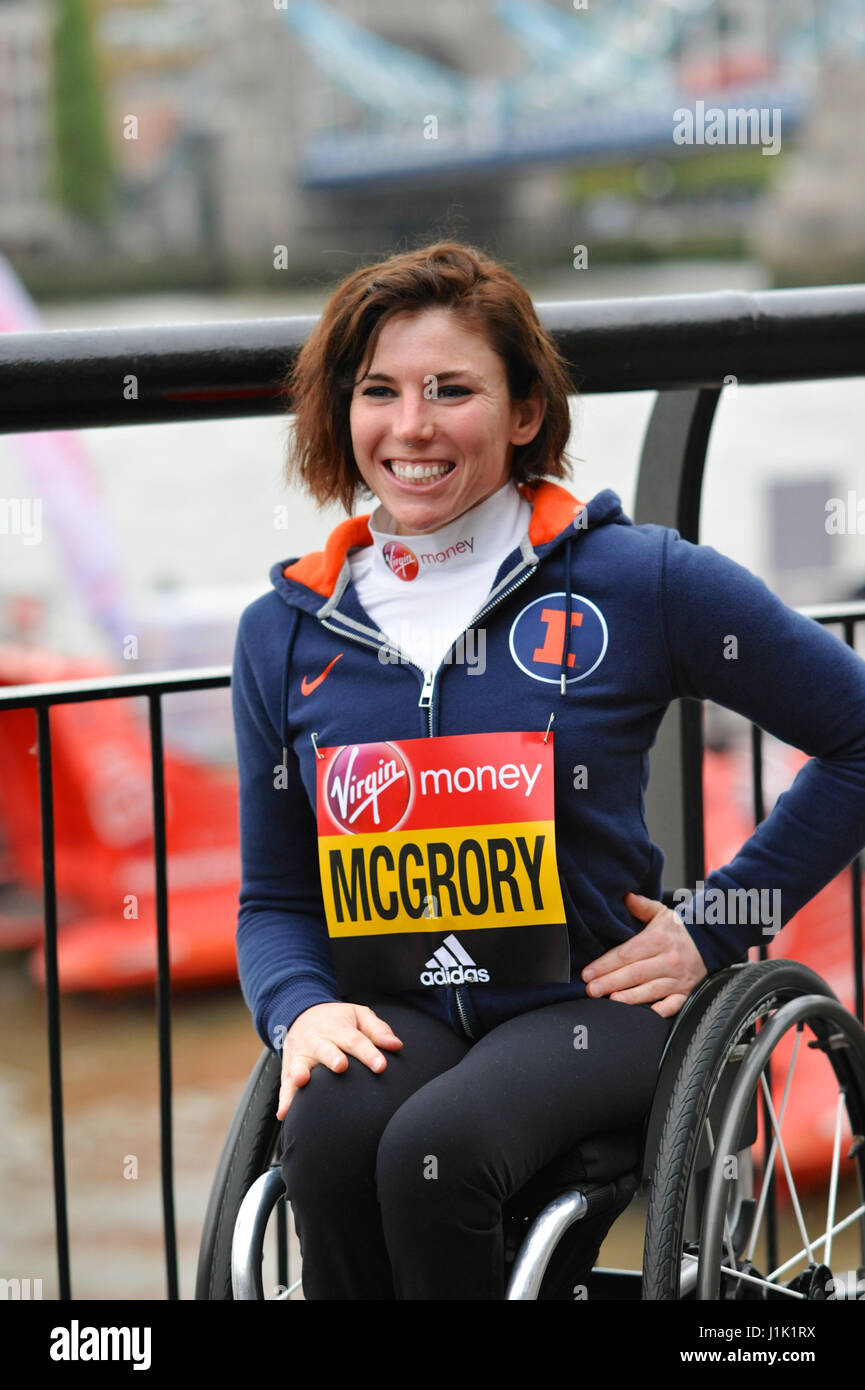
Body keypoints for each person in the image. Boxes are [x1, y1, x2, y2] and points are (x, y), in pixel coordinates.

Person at [231, 239, 865, 1300]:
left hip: (593, 1003)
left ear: (525, 412)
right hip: (407, 1008)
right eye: (378, 390)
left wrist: (711, 926)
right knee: (332, 1137)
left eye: (451, 390)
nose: (412, 425)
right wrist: (298, 1008)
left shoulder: (635, 579)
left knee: (434, 1152)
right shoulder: (283, 632)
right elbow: (275, 894)